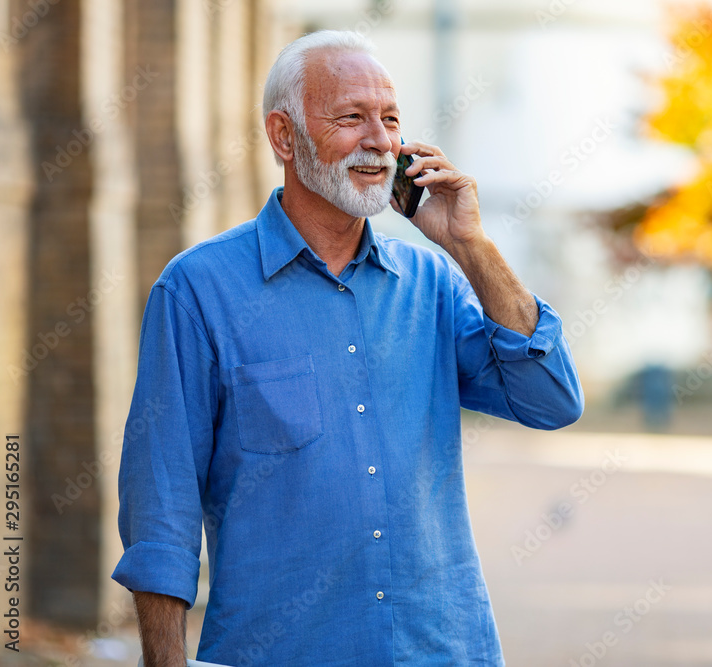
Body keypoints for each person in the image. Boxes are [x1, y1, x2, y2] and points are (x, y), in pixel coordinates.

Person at [113, 29, 583, 667]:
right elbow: (161, 503)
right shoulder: (199, 289)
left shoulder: (435, 284)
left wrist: (473, 246)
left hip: (443, 650)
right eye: (351, 118)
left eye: (390, 119)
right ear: (284, 136)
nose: (380, 141)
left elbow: (551, 400)